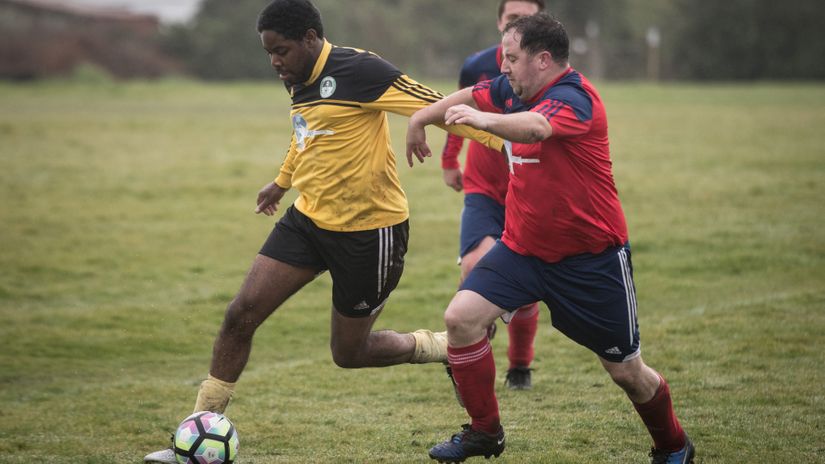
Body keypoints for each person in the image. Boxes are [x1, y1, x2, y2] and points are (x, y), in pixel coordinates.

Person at [143, 0, 505, 462]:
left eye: (282, 50)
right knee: (241, 315)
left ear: (311, 39)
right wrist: (282, 180)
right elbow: (305, 133)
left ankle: (442, 348)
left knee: (349, 353)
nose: (275, 61)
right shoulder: (298, 78)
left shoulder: (360, 69)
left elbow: (437, 105)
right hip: (309, 220)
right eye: (269, 52)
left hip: (369, 233)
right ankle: (191, 438)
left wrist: (509, 143)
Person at [406, 13, 695, 464]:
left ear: (543, 60)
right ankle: (486, 433)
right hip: (522, 249)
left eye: (512, 58)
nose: (503, 67)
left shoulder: (575, 98)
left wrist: (482, 120)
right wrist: (420, 119)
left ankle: (673, 445)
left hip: (590, 259)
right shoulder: (514, 87)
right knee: (461, 319)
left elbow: (536, 128)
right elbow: (472, 93)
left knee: (626, 372)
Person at [441, 0, 545, 391]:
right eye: (511, 18)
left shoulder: (551, 75)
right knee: (473, 266)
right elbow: (458, 110)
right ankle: (467, 362)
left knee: (525, 282)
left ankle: (520, 365)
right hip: (484, 186)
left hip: (530, 190)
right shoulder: (477, 66)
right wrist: (451, 159)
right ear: (500, 22)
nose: (517, 23)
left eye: (527, 18)